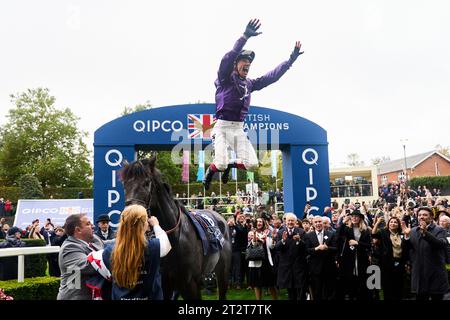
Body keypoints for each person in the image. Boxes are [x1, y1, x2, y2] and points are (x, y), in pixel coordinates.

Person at [203, 18, 303, 190]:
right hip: (221, 127)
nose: (247, 63)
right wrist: (244, 36)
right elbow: (226, 59)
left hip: (238, 128)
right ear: (235, 64)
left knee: (252, 164)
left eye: (249, 62)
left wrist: (291, 60)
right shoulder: (224, 78)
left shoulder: (250, 83)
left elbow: (272, 77)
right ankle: (210, 172)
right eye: (244, 61)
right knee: (219, 164)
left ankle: (230, 165)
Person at [103, 205, 171, 300]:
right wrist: (156, 225)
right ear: (144, 225)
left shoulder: (108, 251)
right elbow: (166, 245)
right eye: (146, 220)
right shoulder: (153, 247)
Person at [402, 207, 449, 300]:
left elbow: (441, 244)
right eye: (419, 215)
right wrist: (406, 237)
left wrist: (425, 233)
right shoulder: (413, 231)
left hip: (435, 273)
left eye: (425, 215)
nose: (421, 217)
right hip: (419, 274)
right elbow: (407, 250)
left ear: (431, 218)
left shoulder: (439, 230)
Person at [57, 213, 104, 300]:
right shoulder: (69, 248)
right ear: (78, 230)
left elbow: (111, 245)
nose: (93, 226)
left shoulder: (94, 240)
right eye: (88, 224)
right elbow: (90, 266)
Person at [336, 210, 372, 300]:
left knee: (361, 280)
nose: (354, 218)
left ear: (360, 218)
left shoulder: (365, 230)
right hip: (348, 258)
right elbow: (337, 236)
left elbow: (368, 245)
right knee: (350, 280)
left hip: (361, 258)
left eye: (356, 216)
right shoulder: (347, 228)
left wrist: (357, 243)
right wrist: (343, 222)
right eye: (352, 216)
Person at [371, 216, 408, 300]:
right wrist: (377, 223)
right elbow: (373, 234)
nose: (393, 223)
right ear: (388, 224)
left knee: (398, 286)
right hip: (387, 263)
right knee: (388, 286)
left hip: (399, 263)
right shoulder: (383, 232)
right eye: (391, 222)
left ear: (398, 224)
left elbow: (405, 248)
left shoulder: (402, 234)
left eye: (395, 222)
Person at [275, 213, 308, 300]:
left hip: (299, 267)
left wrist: (299, 241)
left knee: (300, 292)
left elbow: (306, 248)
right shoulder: (280, 232)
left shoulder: (301, 232)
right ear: (285, 222)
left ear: (296, 221)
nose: (290, 222)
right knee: (290, 292)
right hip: (286, 267)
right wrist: (283, 240)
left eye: (292, 220)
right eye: (288, 220)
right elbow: (277, 248)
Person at [304, 216, 338, 300]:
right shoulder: (308, 235)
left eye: (320, 221)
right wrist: (317, 248)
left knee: (329, 291)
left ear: (323, 223)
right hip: (315, 268)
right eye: (316, 222)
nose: (318, 223)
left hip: (329, 267)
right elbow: (306, 250)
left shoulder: (331, 234)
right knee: (316, 291)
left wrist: (327, 248)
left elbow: (336, 248)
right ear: (313, 223)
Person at [247, 217, 278, 300]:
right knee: (257, 285)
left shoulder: (267, 233)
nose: (259, 223)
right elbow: (253, 244)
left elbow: (271, 246)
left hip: (267, 262)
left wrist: (274, 238)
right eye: (257, 221)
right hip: (256, 262)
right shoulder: (251, 233)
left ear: (263, 223)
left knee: (271, 284)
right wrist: (254, 236)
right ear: (255, 223)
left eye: (260, 221)